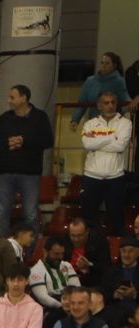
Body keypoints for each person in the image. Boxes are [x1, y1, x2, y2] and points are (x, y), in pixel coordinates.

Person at [0, 84, 53, 236]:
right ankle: (2, 247)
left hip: (30, 172)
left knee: (30, 213)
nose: (8, 100)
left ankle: (31, 250)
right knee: (3, 212)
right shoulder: (4, 118)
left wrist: (24, 141)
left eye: (12, 97)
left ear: (24, 98)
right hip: (6, 172)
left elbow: (48, 140)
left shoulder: (40, 117)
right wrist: (7, 142)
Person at [80, 91, 132, 238]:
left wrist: (97, 140)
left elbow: (120, 146)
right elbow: (87, 144)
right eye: (106, 102)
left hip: (115, 178)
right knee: (89, 220)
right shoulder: (89, 123)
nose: (110, 106)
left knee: (117, 219)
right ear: (99, 105)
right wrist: (112, 137)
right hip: (91, 177)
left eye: (113, 102)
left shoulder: (126, 123)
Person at [71, 50, 131, 123]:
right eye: (102, 63)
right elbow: (81, 103)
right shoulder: (90, 81)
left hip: (113, 123)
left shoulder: (119, 82)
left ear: (114, 66)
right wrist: (75, 120)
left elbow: (125, 103)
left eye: (107, 63)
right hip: (93, 122)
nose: (104, 66)